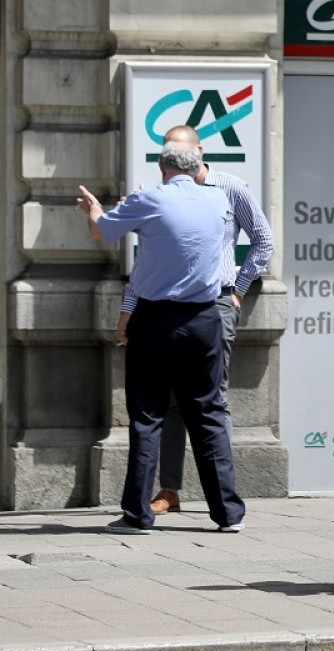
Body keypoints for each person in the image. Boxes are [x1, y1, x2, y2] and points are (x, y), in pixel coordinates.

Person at [77, 141, 246, 535]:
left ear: (162, 167)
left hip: (154, 320)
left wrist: (94, 209)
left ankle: (138, 515)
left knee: (148, 416)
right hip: (205, 319)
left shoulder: (150, 198)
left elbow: (102, 232)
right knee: (208, 414)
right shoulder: (218, 199)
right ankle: (228, 514)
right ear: (197, 165)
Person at [115, 125, 274, 517]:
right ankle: (169, 491)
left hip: (214, 304)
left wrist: (236, 291)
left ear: (199, 152)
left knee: (208, 402)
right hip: (163, 312)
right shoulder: (163, 195)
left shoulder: (230, 188)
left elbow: (263, 240)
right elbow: (148, 262)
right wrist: (129, 307)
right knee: (165, 404)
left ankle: (224, 504)